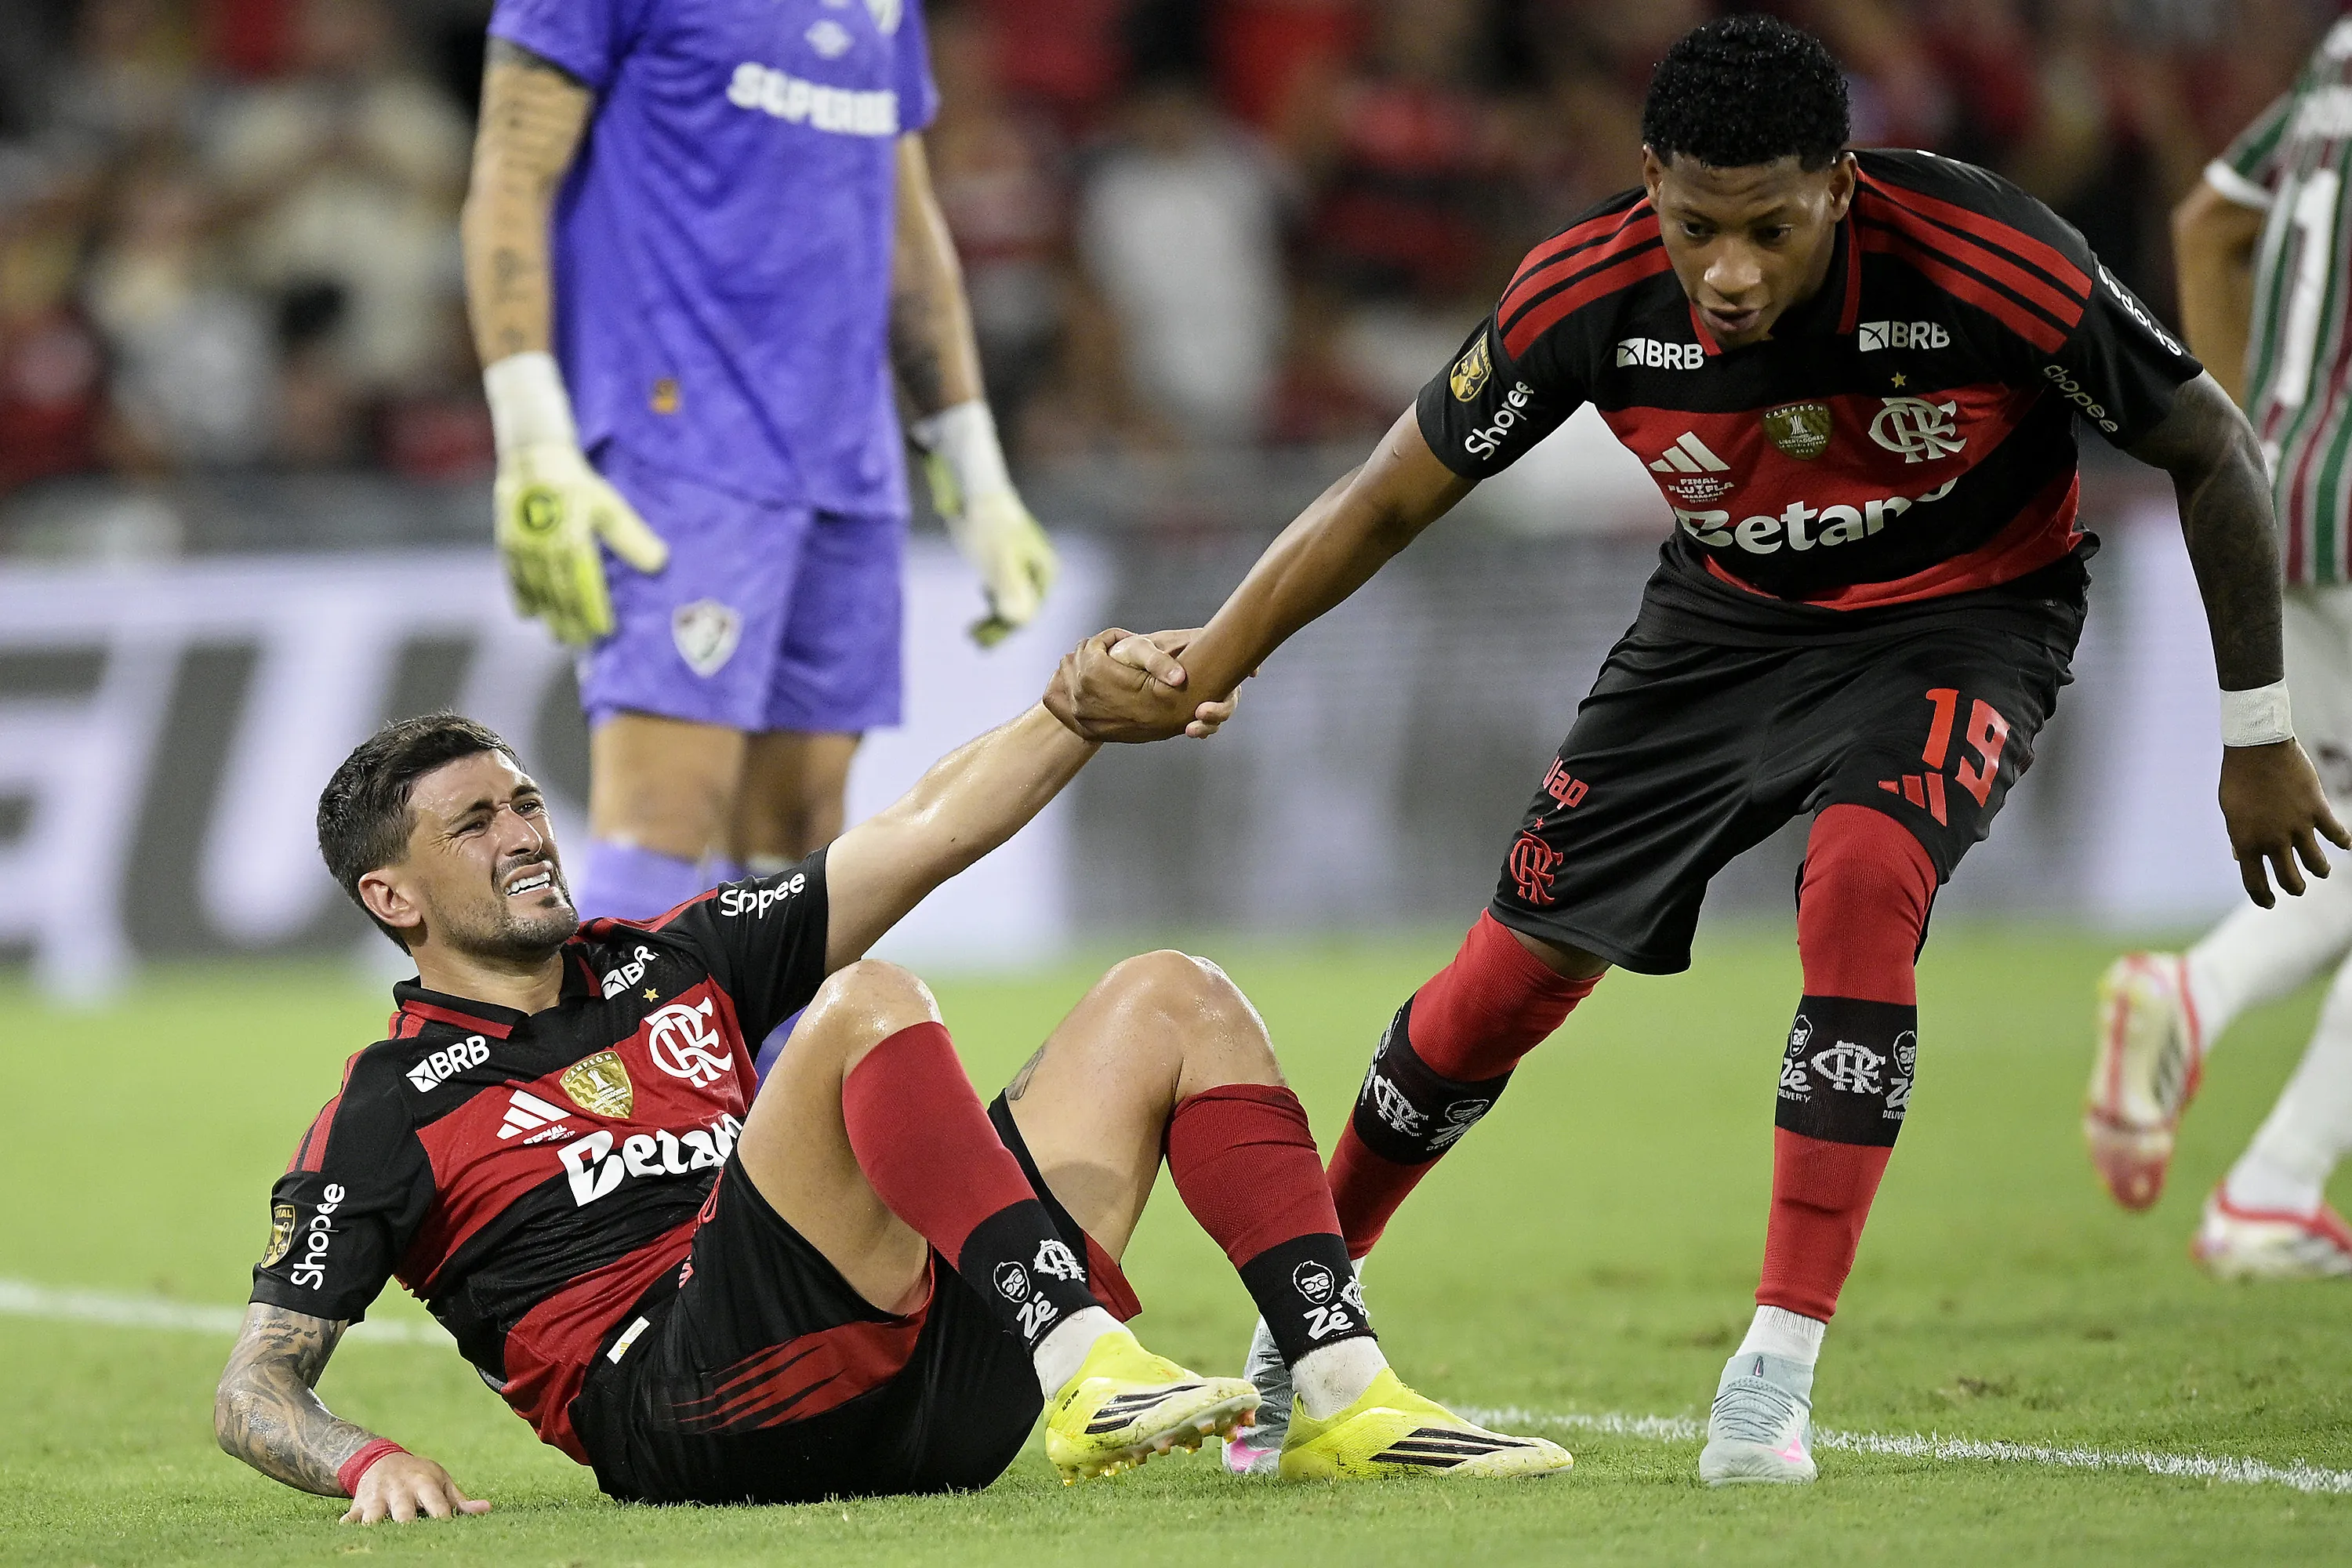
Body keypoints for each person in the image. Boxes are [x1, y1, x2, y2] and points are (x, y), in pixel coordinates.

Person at [1050, 16, 2346, 1486]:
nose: (1730, 272)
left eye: (1771, 231)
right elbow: (1386, 497)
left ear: (1843, 188)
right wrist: (1208, 662)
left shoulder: (1989, 254)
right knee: (1495, 989)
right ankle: (1308, 1325)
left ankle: (1768, 1382)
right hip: (1721, 629)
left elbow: (2212, 445)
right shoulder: (1588, 291)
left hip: (1964, 624)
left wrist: (2259, 733)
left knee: (1862, 888)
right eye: (1696, 228)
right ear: (1648, 180)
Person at [211, 666, 1568, 1523]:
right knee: (866, 1002)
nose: (525, 834)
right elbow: (255, 1390)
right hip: (693, 1409)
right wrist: (363, 1460)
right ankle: (1084, 1361)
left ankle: (1343, 1389)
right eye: (476, 824)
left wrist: (1068, 714)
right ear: (392, 898)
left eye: (524, 804)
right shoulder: (386, 1110)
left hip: (927, 1394)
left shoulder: (673, 959)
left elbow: (928, 826)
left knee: (1173, 994)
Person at [458, 0, 1058, 932]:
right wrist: (533, 432)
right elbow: (511, 172)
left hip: (846, 463)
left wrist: (974, 467)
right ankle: (607, 1082)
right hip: (680, 439)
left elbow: (905, 228)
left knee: (799, 846)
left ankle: (763, 1084)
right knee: (663, 816)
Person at [2084, 17, 2352, 1280]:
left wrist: (2252, 451)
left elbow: (2205, 221)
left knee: (2344, 824)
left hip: (2299, 494)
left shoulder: (2340, 55)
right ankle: (2275, 1185)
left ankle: (2199, 1006)